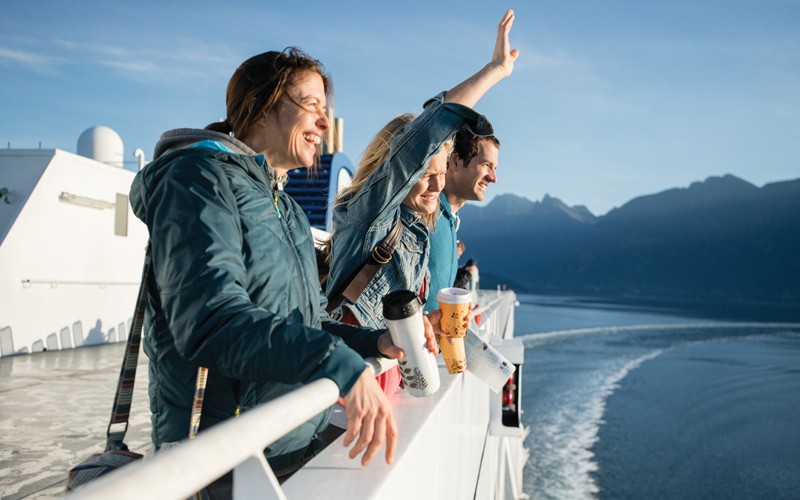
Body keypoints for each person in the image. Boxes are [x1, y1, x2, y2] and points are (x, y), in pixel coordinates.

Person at [129, 48, 408, 488]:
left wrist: (374, 341)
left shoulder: (289, 210)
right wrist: (337, 364)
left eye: (326, 109)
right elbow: (210, 322)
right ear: (261, 106)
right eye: (312, 106)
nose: (324, 123)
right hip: (223, 460)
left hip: (288, 443)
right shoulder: (197, 179)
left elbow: (308, 322)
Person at [325, 10, 518, 394]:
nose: (434, 183)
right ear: (395, 169)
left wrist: (425, 323)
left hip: (387, 387)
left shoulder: (421, 230)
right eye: (422, 172)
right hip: (346, 390)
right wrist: (495, 71)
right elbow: (425, 134)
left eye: (441, 170)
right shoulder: (371, 217)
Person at [424, 126, 500, 312]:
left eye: (495, 168)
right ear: (456, 161)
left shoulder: (451, 220)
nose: (493, 178)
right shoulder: (424, 213)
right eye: (486, 165)